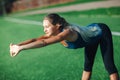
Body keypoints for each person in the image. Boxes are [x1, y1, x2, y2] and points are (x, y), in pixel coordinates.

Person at [9, 13, 119, 80]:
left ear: (57, 25)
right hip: (90, 37)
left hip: (101, 31)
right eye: (44, 27)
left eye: (47, 27)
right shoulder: (53, 33)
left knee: (109, 66)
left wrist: (21, 48)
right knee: (87, 67)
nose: (45, 30)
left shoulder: (67, 33)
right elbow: (36, 39)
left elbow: (44, 43)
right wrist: (18, 45)